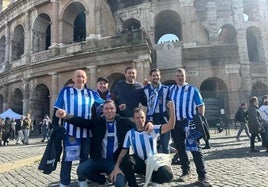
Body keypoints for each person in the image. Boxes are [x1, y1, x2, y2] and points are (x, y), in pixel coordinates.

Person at [55, 100, 153, 187]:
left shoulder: (123, 122)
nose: (109, 111)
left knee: (120, 183)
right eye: (106, 109)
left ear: (115, 110)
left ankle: (115, 175)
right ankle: (102, 181)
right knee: (81, 170)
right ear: (103, 110)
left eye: (111, 108)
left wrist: (148, 122)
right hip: (99, 159)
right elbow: (82, 122)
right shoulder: (97, 122)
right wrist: (66, 116)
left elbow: (138, 121)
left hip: (115, 161)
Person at [54, 69, 103, 187]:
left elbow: (105, 104)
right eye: (78, 77)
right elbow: (56, 109)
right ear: (73, 78)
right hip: (70, 132)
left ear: (86, 80)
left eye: (83, 77)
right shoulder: (65, 91)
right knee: (67, 159)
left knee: (84, 158)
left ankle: (82, 180)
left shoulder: (92, 93)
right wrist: (55, 123)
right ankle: (64, 182)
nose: (80, 79)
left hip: (87, 132)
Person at [110, 101, 175, 187]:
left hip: (153, 163)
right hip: (140, 164)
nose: (140, 120)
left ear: (145, 118)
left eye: (142, 117)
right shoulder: (130, 134)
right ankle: (133, 184)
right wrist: (117, 166)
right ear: (133, 119)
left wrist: (172, 110)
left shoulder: (153, 129)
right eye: (137, 118)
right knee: (126, 160)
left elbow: (170, 126)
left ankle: (154, 179)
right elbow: (123, 151)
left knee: (168, 176)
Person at [169, 68, 211, 187]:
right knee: (180, 149)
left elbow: (200, 105)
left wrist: (199, 121)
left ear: (185, 76)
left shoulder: (192, 89)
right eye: (177, 76)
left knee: (196, 150)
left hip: (190, 124)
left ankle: (202, 176)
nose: (179, 77)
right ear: (175, 77)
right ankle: (185, 172)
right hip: (176, 124)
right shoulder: (171, 89)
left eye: (181, 75)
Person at [143, 68, 171, 154]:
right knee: (151, 144)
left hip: (163, 118)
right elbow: (142, 104)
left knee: (165, 145)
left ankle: (167, 165)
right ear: (150, 77)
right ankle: (153, 165)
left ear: (160, 76)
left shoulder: (166, 88)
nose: (156, 77)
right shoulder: (145, 89)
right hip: (151, 119)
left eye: (157, 75)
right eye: (154, 75)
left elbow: (170, 103)